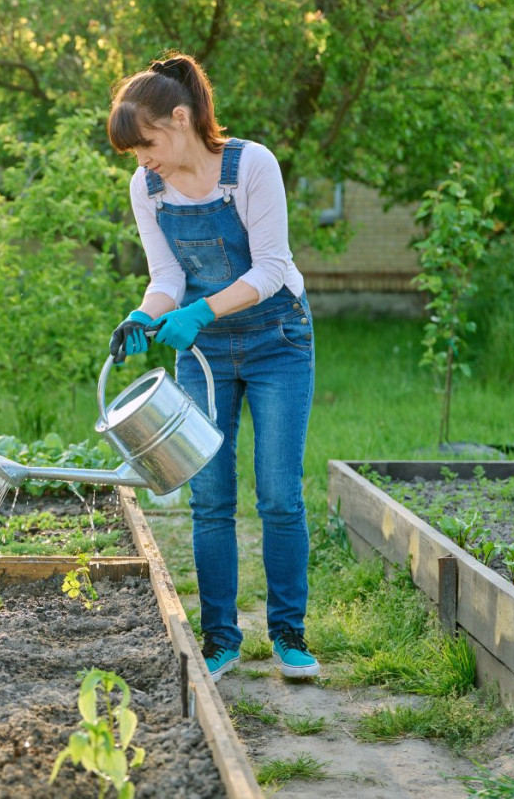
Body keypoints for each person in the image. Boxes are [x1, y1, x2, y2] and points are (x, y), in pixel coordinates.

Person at [106, 53, 319, 680]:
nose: (141, 160)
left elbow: (273, 268)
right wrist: (146, 316)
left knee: (279, 496)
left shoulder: (250, 165)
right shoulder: (146, 187)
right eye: (134, 153)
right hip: (203, 356)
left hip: (278, 338)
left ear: (180, 119)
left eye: (146, 144)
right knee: (210, 497)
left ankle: (289, 637)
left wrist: (198, 311)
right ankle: (222, 639)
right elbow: (167, 277)